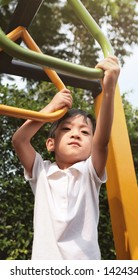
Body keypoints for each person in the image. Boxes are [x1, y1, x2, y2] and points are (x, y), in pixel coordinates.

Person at [12, 55, 120, 260]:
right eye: (67, 129)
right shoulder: (41, 172)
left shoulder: (89, 173)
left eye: (85, 132)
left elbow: (102, 142)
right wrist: (50, 109)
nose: (76, 134)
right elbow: (19, 140)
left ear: (91, 145)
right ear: (51, 144)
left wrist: (109, 90)